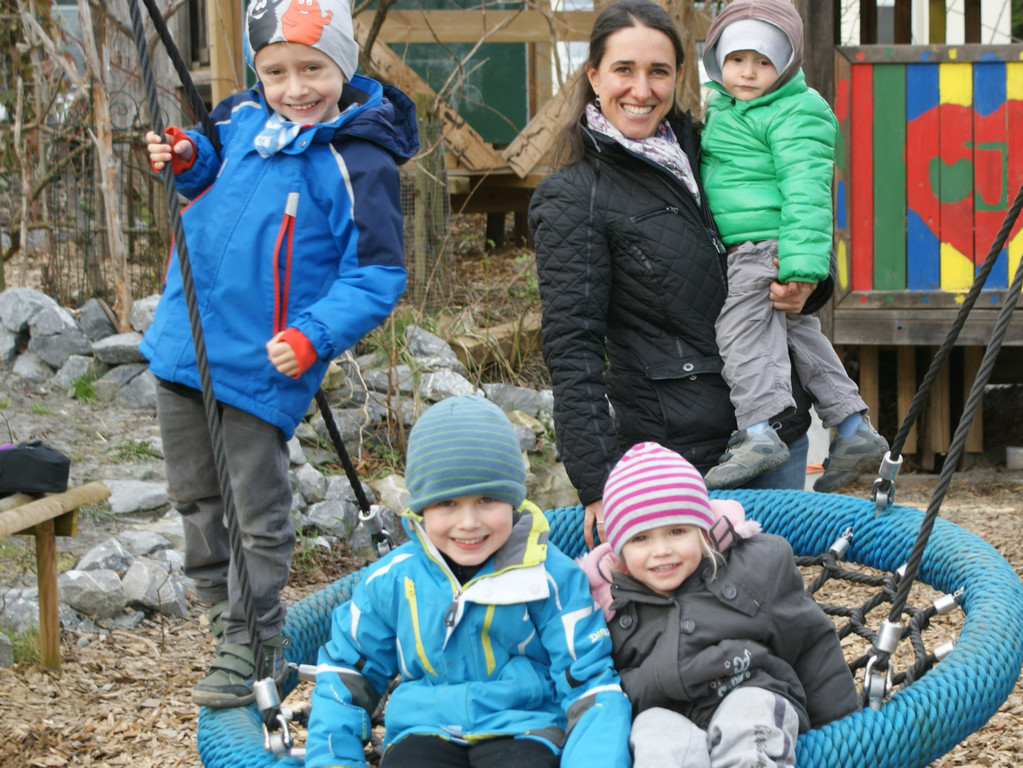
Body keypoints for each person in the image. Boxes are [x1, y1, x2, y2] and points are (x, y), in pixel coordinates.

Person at [141, 0, 418, 708]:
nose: (294, 88)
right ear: (257, 72)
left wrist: (313, 335)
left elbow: (376, 274)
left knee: (252, 512)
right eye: (275, 72)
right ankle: (224, 624)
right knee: (193, 495)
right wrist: (185, 156)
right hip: (185, 342)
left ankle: (258, 635)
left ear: (343, 65)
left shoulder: (357, 160)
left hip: (262, 366)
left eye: (312, 69)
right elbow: (209, 175)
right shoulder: (239, 119)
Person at [528, 0, 834, 550]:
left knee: (775, 593)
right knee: (694, 602)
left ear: (679, 77)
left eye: (658, 72)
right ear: (593, 76)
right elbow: (572, 347)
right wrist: (598, 481)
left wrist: (809, 283)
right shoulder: (575, 196)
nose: (641, 90)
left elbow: (789, 216)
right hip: (682, 456)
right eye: (624, 70)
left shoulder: (714, 145)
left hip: (776, 425)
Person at [304, 396, 632, 768]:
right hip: (423, 727)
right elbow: (346, 675)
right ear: (421, 508)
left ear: (513, 500)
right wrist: (334, 759)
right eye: (447, 503)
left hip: (526, 726)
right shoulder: (393, 580)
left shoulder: (550, 576)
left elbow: (591, 684)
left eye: (487, 499)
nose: (469, 523)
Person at [699, 0, 888, 492]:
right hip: (756, 241)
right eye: (737, 59)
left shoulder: (794, 111)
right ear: (717, 58)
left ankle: (759, 430)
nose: (747, 72)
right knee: (798, 335)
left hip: (761, 244)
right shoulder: (728, 106)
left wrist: (803, 268)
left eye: (763, 62)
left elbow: (808, 192)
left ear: (785, 66)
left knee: (738, 330)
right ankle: (853, 426)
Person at [578, 441, 860, 767]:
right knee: (652, 733)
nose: (661, 550)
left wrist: (846, 732)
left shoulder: (752, 571)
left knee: (750, 715)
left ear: (702, 531)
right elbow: (597, 686)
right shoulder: (607, 606)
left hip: (750, 691)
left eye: (677, 531)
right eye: (641, 538)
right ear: (620, 549)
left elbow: (811, 646)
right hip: (667, 715)